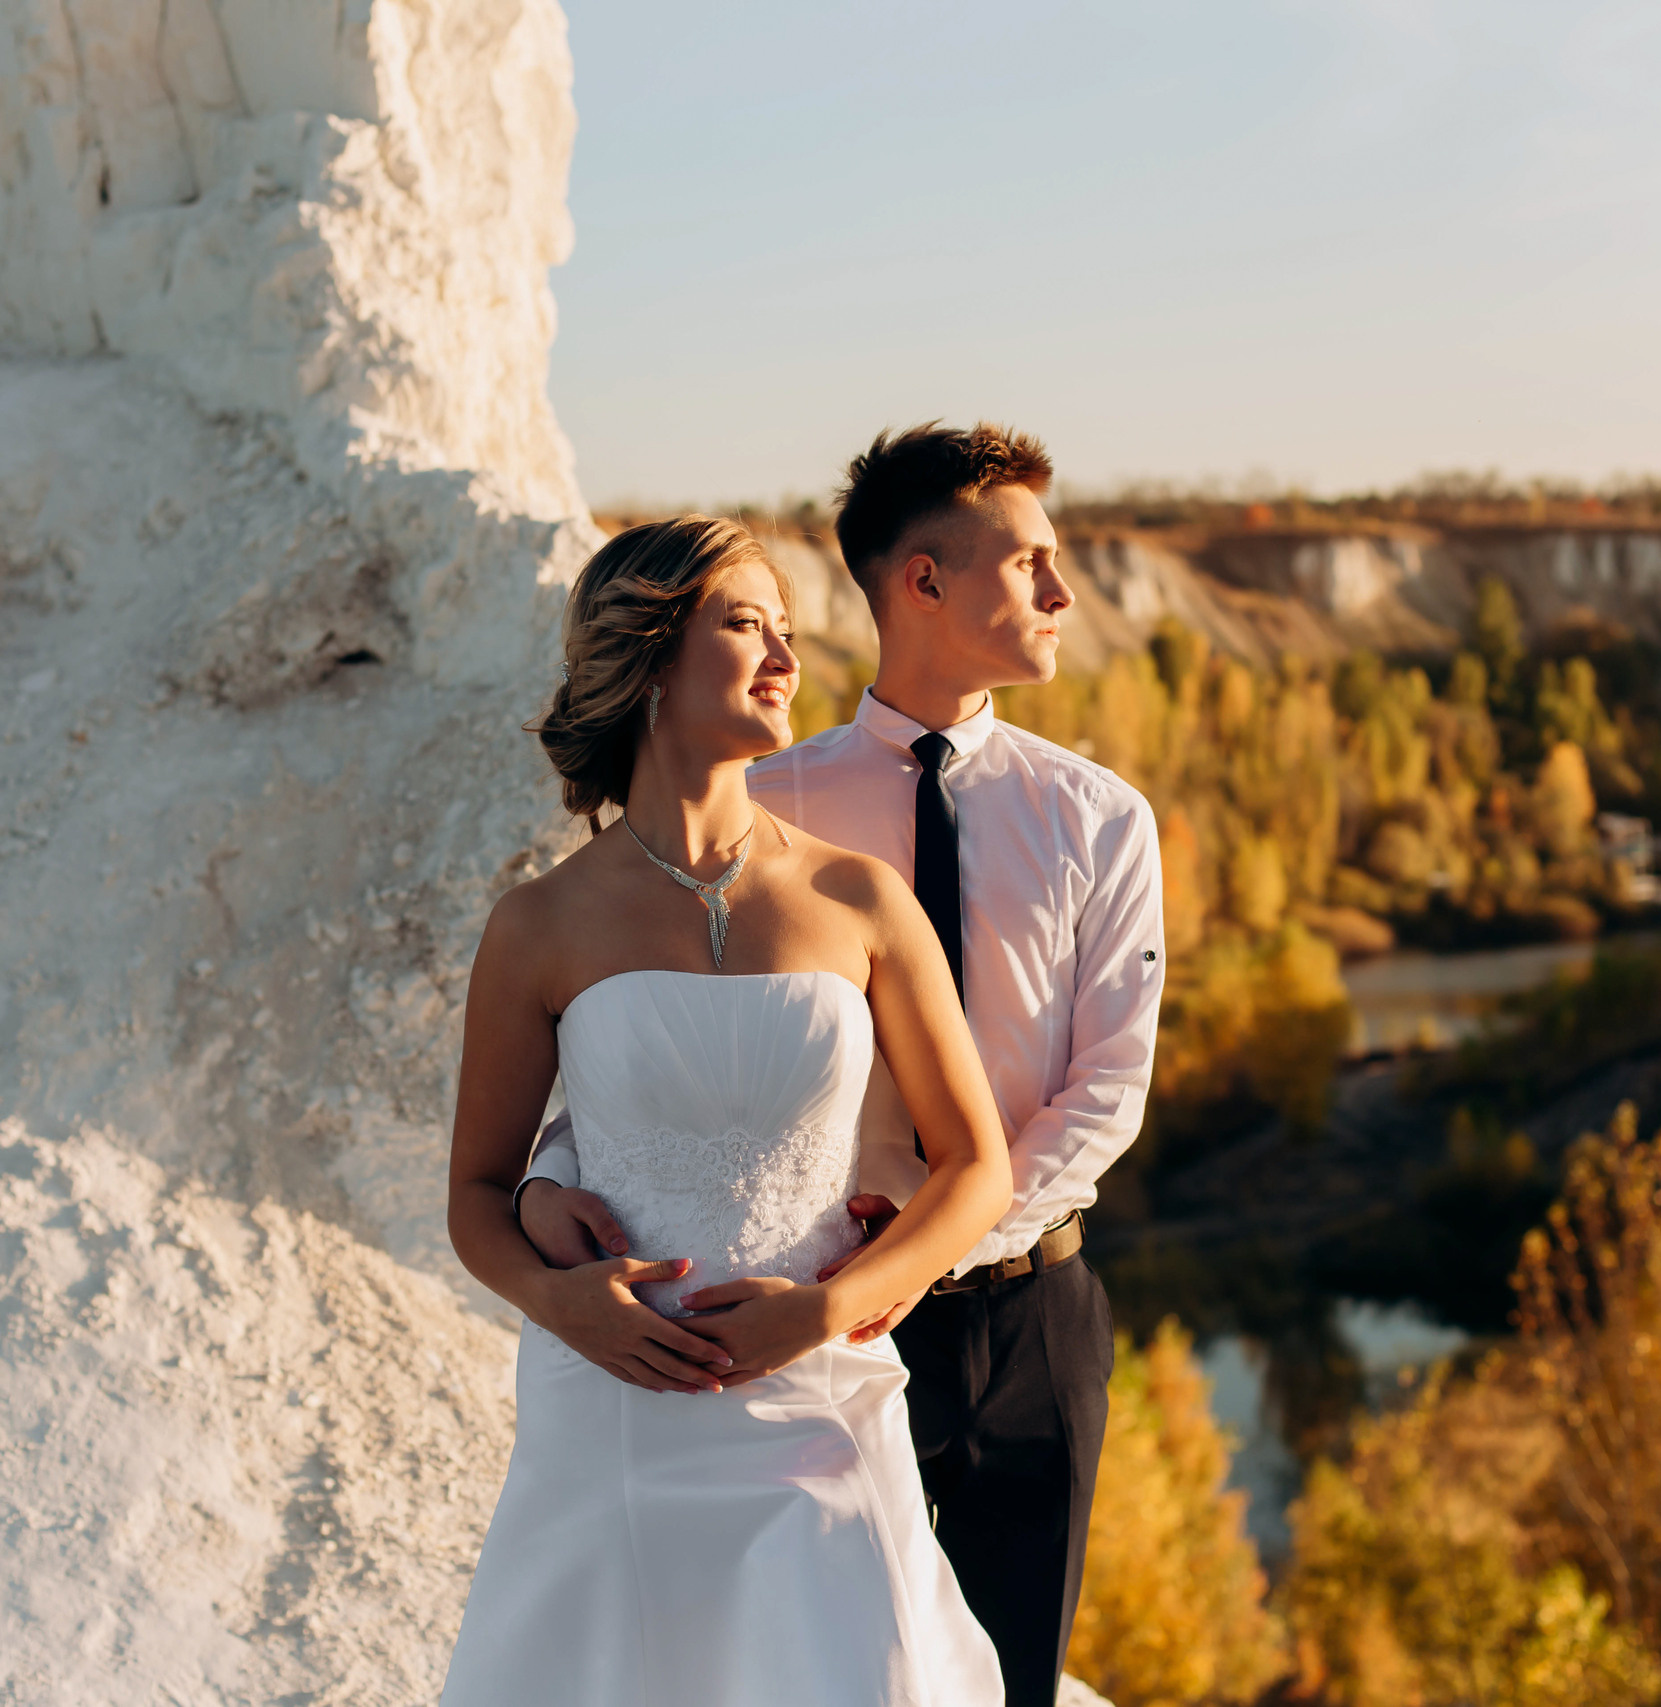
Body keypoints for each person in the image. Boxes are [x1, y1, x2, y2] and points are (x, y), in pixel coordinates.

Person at [519, 425, 1167, 1707]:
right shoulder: (773, 805)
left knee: (1006, 1677)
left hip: (1022, 1313)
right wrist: (547, 1187)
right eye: (1029, 560)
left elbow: (1106, 1091)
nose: (1061, 593)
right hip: (792, 1313)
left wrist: (926, 1253)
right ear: (920, 581)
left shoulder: (1099, 818)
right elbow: (631, 1041)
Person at [441, 515, 1013, 1706]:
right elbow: (477, 1195)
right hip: (615, 1406)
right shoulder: (539, 925)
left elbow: (975, 1169)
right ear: (649, 652)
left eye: (791, 632)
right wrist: (558, 1303)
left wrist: (827, 1311)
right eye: (745, 622)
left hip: (819, 1396)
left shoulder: (859, 897)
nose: (784, 658)